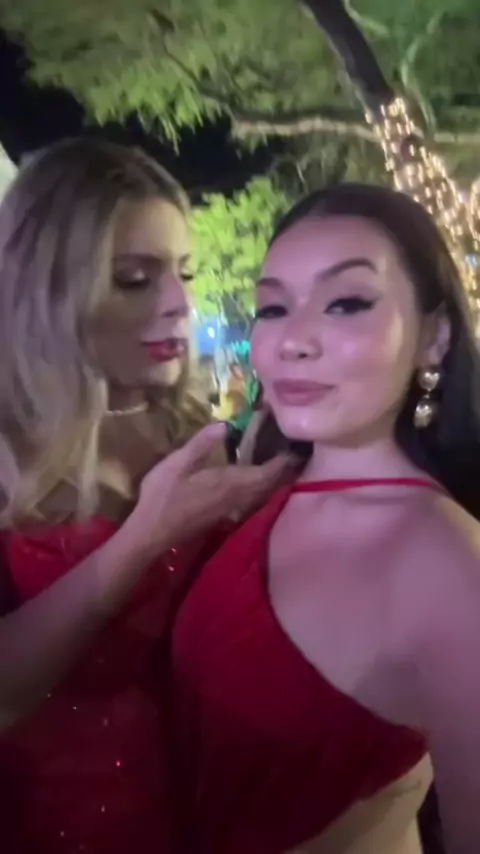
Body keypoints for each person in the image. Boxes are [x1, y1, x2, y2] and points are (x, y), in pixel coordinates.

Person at [164, 183, 480, 854]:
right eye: (273, 307)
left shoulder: (449, 564)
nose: (292, 341)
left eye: (346, 303)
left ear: (433, 337)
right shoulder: (264, 490)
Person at [0, 138, 289, 853]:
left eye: (183, 273)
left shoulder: (195, 429)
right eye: (134, 279)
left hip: (217, 808)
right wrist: (143, 537)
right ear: (45, 290)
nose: (180, 305)